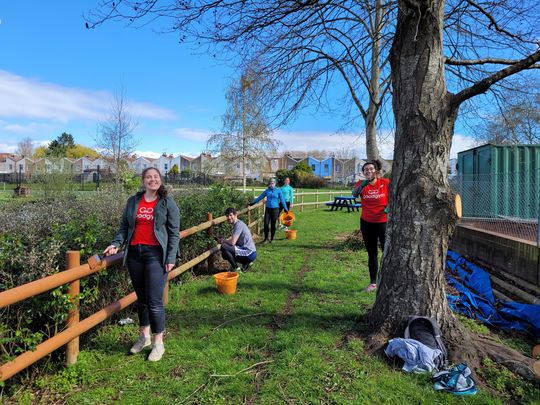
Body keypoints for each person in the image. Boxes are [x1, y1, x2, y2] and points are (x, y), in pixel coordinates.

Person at [103, 167, 180, 362]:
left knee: (154, 301)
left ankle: (158, 343)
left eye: (155, 177)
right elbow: (124, 227)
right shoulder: (133, 202)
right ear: (143, 181)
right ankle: (144, 337)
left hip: (156, 255)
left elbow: (174, 233)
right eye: (148, 177)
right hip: (135, 254)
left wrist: (170, 258)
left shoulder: (167, 203)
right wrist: (115, 244)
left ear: (160, 180)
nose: (152, 180)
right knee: (142, 299)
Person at [352, 160, 390, 292]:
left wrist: (389, 207)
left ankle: (388, 281)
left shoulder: (385, 183)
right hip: (367, 223)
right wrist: (362, 185)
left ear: (376, 171)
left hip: (383, 222)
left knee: (387, 252)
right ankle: (373, 283)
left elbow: (395, 196)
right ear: (363, 173)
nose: (368, 171)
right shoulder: (361, 184)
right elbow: (354, 194)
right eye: (366, 170)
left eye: (371, 169)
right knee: (372, 253)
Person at [249, 178, 288, 244]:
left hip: (275, 209)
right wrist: (252, 203)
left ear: (275, 184)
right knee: (266, 224)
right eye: (270, 183)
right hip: (268, 209)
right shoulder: (267, 191)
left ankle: (272, 238)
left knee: (273, 225)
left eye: (272, 183)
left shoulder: (278, 191)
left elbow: (282, 200)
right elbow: (260, 197)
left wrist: (286, 209)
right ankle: (266, 239)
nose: (271, 184)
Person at [218, 207, 257, 271]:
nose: (229, 217)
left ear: (235, 215)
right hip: (250, 251)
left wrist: (223, 241)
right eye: (227, 216)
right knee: (224, 253)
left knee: (224, 247)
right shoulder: (237, 224)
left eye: (231, 215)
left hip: (249, 252)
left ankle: (236, 268)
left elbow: (232, 242)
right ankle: (246, 263)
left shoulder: (238, 225)